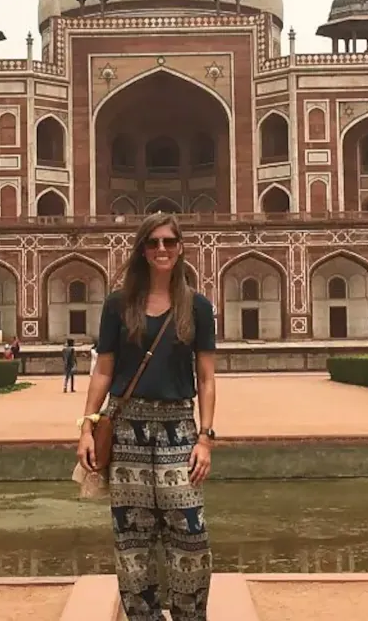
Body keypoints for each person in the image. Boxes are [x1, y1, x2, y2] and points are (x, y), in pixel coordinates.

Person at [75, 212, 217, 621]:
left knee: (190, 534)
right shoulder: (119, 305)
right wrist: (86, 426)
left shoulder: (198, 308)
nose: (161, 250)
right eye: (153, 242)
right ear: (142, 249)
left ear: (180, 248)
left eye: (169, 242)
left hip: (178, 429)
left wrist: (205, 438)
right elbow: (103, 369)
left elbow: (206, 378)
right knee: (132, 540)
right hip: (127, 431)